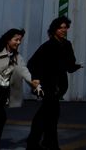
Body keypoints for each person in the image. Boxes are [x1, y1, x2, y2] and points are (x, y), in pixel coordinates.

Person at [26, 16, 82, 150]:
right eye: (60, 28)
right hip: (48, 86)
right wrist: (37, 81)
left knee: (49, 115)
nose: (64, 30)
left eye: (65, 28)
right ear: (54, 29)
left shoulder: (67, 45)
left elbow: (69, 65)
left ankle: (42, 142)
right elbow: (32, 64)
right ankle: (44, 143)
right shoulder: (48, 46)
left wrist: (76, 66)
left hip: (59, 86)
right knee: (48, 115)